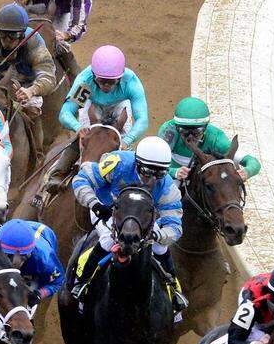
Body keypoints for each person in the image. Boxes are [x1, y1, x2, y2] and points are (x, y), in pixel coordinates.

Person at [70, 136, 185, 311]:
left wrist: (158, 235)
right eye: (147, 171)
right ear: (137, 163)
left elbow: (175, 226)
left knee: (161, 247)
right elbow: (81, 179)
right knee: (109, 240)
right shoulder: (117, 163)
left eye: (159, 174)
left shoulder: (168, 188)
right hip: (108, 209)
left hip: (142, 219)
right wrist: (94, 204)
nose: (152, 179)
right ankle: (82, 282)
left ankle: (174, 290)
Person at [33, 45, 149, 209]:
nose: (106, 86)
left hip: (120, 107)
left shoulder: (131, 83)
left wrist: (127, 140)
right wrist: (78, 128)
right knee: (85, 140)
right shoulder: (85, 82)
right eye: (102, 81)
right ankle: (55, 176)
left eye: (112, 82)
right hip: (92, 105)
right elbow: (65, 113)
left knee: (125, 153)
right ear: (94, 76)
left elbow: (142, 120)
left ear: (120, 78)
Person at [0, 3, 57, 119]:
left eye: (13, 35)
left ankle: (36, 136)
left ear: (22, 34)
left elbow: (48, 77)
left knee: (33, 110)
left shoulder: (34, 42)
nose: (7, 40)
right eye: (3, 34)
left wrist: (31, 90)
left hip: (27, 82)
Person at [14, 0, 91, 76]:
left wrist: (66, 35)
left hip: (62, 15)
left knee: (61, 45)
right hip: (34, 13)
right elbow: (17, 11)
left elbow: (79, 24)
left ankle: (75, 80)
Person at [157, 96, 261, 181]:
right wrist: (174, 172)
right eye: (184, 131)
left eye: (196, 132)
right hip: (175, 176)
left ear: (206, 128)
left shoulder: (216, 139)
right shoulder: (169, 132)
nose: (190, 137)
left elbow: (253, 162)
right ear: (176, 127)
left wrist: (246, 172)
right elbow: (154, 164)